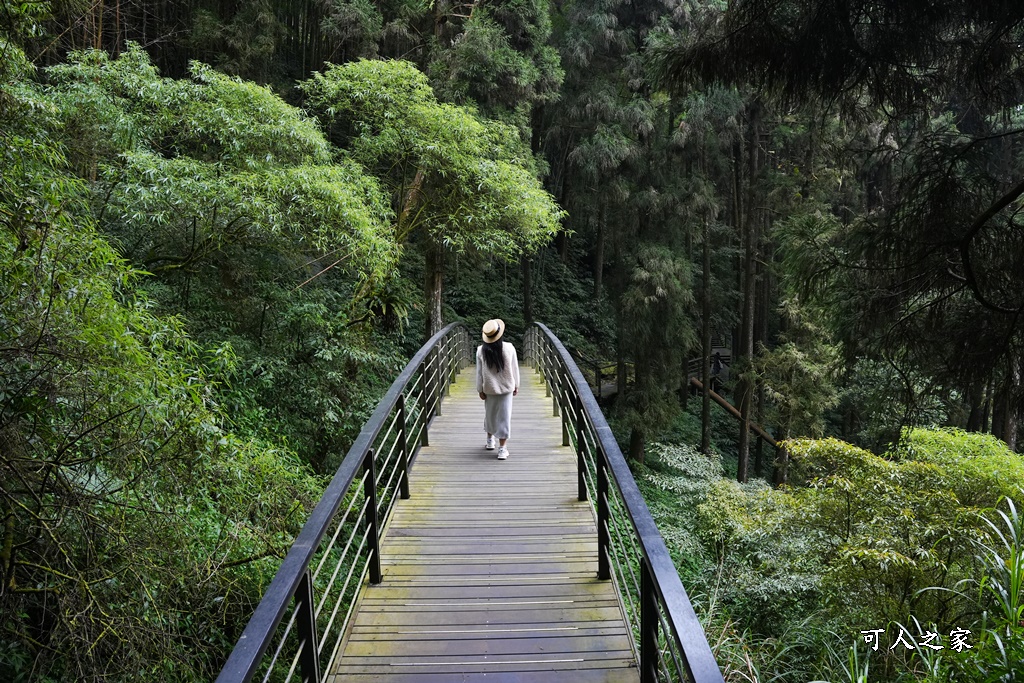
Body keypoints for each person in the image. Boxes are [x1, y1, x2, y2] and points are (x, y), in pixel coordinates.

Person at [476, 319, 520, 460]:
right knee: (504, 417)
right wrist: (516, 385)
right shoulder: (509, 348)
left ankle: (490, 441)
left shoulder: (480, 350)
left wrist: (480, 389)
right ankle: (502, 448)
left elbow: (479, 372)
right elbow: (514, 368)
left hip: (489, 389)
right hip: (506, 387)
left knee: (490, 413)